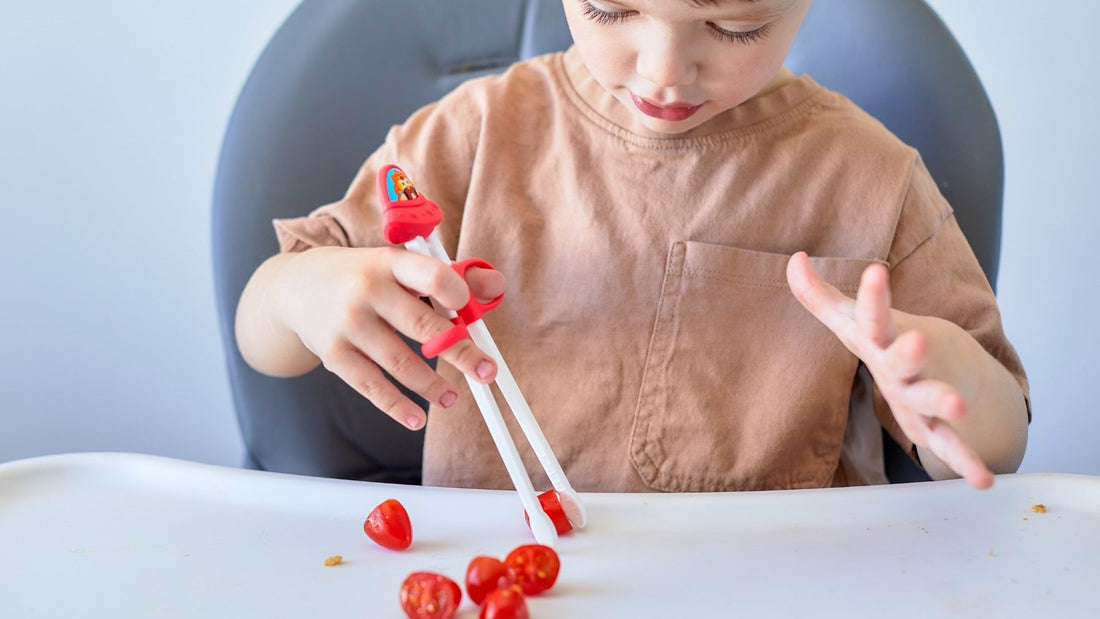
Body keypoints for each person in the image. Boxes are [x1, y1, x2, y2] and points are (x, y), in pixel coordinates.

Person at [235, 0, 1029, 493]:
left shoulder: (874, 181)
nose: (663, 71)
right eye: (611, 10)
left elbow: (1001, 444)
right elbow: (262, 331)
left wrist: (946, 383)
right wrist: (300, 294)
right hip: (511, 579)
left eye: (734, 26)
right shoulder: (472, 137)